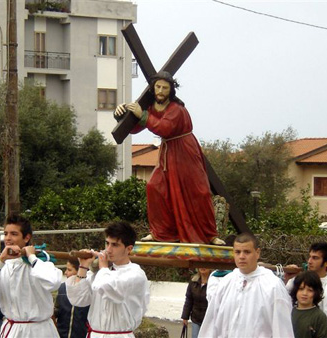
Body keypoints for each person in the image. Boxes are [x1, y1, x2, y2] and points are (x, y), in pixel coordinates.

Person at [114, 71, 223, 245]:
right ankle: (162, 232)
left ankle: (210, 234)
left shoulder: (176, 109)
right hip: (168, 153)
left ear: (171, 90)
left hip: (185, 152)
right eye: (158, 86)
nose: (161, 91)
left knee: (199, 191)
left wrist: (141, 115)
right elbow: (134, 128)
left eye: (165, 88)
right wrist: (121, 115)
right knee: (154, 187)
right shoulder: (151, 108)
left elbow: (164, 128)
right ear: (153, 88)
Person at [0, 214, 63, 337]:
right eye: (5, 234)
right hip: (12, 329)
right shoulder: (0, 264)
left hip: (39, 331)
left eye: (14, 234)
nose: (8, 238)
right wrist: (1, 259)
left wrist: (31, 257)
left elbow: (54, 282)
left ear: (26, 238)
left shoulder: (40, 263)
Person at [198, 232, 294, 338]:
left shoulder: (272, 286)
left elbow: (282, 329)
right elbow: (211, 323)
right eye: (237, 252)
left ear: (257, 253)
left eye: (247, 252)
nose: (242, 257)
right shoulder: (225, 283)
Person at [65, 221, 150, 336]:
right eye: (107, 243)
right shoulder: (101, 272)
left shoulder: (135, 274)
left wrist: (103, 266)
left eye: (114, 245)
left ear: (129, 249)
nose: (108, 250)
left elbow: (108, 288)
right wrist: (83, 266)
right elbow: (78, 299)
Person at [286, 242, 327, 338]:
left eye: (315, 258)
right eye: (309, 257)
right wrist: (287, 278)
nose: (309, 261)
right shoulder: (300, 280)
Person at [290, 271, 327, 338]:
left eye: (310, 290)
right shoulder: (289, 312)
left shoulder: (319, 317)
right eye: (301, 289)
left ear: (316, 293)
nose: (304, 293)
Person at [54, 259, 90, 338]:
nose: (65, 272)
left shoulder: (89, 290)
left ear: (80, 271)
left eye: (69, 270)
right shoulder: (62, 287)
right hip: (62, 335)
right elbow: (57, 310)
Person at [181, 268, 212, 338]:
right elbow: (189, 300)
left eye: (205, 265)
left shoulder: (214, 282)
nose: (202, 267)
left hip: (209, 320)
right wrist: (185, 317)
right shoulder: (193, 281)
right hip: (196, 319)